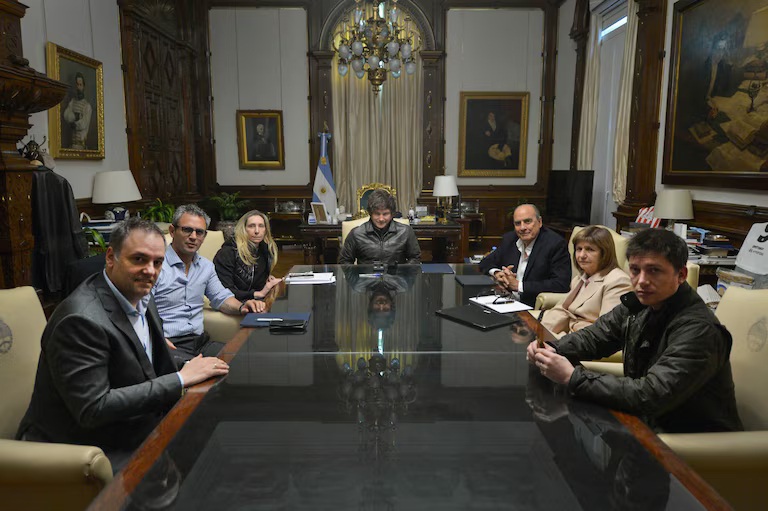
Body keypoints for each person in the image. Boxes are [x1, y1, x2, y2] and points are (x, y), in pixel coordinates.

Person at [16, 218, 230, 471]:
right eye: (138, 259)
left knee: (219, 433)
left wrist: (192, 365)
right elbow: (93, 408)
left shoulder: (139, 294)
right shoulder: (80, 320)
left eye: (157, 262)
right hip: (85, 446)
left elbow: (140, 358)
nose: (150, 270)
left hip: (131, 423)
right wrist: (181, 379)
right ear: (110, 257)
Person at [527, 228, 743, 433]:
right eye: (635, 270)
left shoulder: (699, 329)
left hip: (688, 441)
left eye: (654, 270)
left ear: (681, 274)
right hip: (645, 424)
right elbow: (596, 336)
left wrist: (573, 377)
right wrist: (552, 348)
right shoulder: (641, 303)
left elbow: (651, 396)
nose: (642, 281)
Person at [152, 204, 263, 366]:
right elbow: (139, 311)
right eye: (187, 230)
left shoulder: (206, 267)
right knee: (211, 374)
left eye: (199, 232)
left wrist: (242, 307)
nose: (193, 237)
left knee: (249, 360)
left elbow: (221, 298)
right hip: (169, 345)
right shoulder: (154, 267)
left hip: (201, 343)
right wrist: (155, 339)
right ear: (172, 231)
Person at [540, 226, 633, 338]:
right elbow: (563, 309)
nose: (582, 255)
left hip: (584, 342)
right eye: (579, 249)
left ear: (605, 253)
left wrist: (558, 341)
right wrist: (537, 331)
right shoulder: (580, 278)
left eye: (590, 249)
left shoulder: (618, 281)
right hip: (566, 336)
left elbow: (606, 332)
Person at [478, 204, 570, 307]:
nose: (522, 227)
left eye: (527, 221)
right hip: (505, 300)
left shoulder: (555, 244)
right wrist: (497, 273)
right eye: (518, 223)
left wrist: (519, 286)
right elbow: (486, 262)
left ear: (539, 222)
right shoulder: (510, 239)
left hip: (531, 306)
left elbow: (560, 284)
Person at [213, 209, 282, 302]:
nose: (257, 231)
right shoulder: (227, 253)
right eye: (251, 226)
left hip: (256, 300)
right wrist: (258, 294)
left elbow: (255, 281)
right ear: (243, 229)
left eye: (261, 226)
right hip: (233, 303)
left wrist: (267, 281)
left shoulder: (265, 250)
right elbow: (223, 291)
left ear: (266, 230)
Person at [338, 189, 421, 265]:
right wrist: (356, 276)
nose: (381, 219)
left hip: (397, 276)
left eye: (385, 214)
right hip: (366, 276)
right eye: (377, 214)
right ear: (370, 213)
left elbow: (415, 258)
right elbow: (344, 262)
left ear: (392, 214)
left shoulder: (405, 232)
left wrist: (404, 274)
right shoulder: (356, 234)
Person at [62, 72, 92, 150]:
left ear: (83, 86)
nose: (78, 87)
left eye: (80, 85)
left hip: (81, 145)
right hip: (72, 144)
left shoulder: (87, 106)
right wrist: (75, 116)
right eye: (77, 85)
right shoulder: (72, 102)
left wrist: (75, 124)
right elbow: (66, 115)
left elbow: (84, 123)